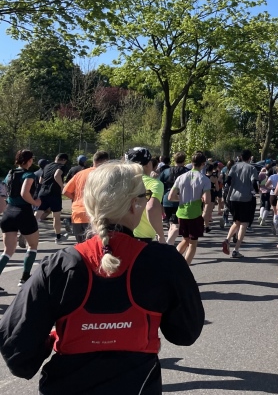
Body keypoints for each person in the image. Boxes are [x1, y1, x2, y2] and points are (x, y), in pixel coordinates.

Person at [0, 161, 204, 394]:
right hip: (137, 385)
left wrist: (53, 340)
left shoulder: (59, 265)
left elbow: (17, 350)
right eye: (144, 196)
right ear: (133, 204)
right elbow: (185, 333)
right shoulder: (165, 261)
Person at [0, 150, 42, 290]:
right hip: (23, 212)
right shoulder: (28, 175)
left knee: (8, 251)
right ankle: (24, 278)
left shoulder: (10, 173)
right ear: (29, 160)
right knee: (32, 246)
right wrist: (35, 202)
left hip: (8, 213)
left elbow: (4, 191)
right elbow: (24, 193)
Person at [169, 152, 211, 265]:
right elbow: (207, 200)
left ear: (191, 163)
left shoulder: (181, 177)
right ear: (203, 164)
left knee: (185, 239)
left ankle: (173, 261)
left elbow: (171, 197)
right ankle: (185, 268)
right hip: (194, 214)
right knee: (193, 243)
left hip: (181, 213)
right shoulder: (204, 179)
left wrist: (182, 198)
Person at [62, 151, 109, 244]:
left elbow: (65, 191)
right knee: (95, 247)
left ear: (94, 160)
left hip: (77, 214)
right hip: (93, 214)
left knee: (81, 247)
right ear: (106, 161)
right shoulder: (103, 175)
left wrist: (76, 199)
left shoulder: (80, 174)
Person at [223, 149, 259, 258]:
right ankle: (236, 249)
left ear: (241, 157)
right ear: (250, 157)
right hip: (245, 198)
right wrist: (256, 191)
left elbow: (228, 181)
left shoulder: (234, 167)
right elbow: (254, 182)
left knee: (236, 221)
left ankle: (227, 239)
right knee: (244, 224)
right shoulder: (252, 168)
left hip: (233, 197)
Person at [126, 148, 166, 244]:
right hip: (142, 238)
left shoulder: (121, 181)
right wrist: (161, 235)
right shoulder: (154, 184)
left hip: (120, 234)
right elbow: (151, 207)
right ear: (148, 164)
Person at [36, 153, 69, 244]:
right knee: (56, 216)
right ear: (64, 160)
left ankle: (26, 232)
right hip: (54, 194)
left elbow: (41, 180)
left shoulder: (47, 166)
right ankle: (58, 237)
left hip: (43, 192)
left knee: (38, 213)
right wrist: (62, 187)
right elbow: (57, 175)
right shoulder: (61, 166)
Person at [159, 152, 190, 245]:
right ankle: (168, 245)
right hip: (181, 199)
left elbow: (160, 185)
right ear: (184, 160)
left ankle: (169, 243)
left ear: (174, 160)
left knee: (172, 224)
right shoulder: (188, 172)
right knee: (176, 226)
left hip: (167, 199)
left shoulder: (166, 171)